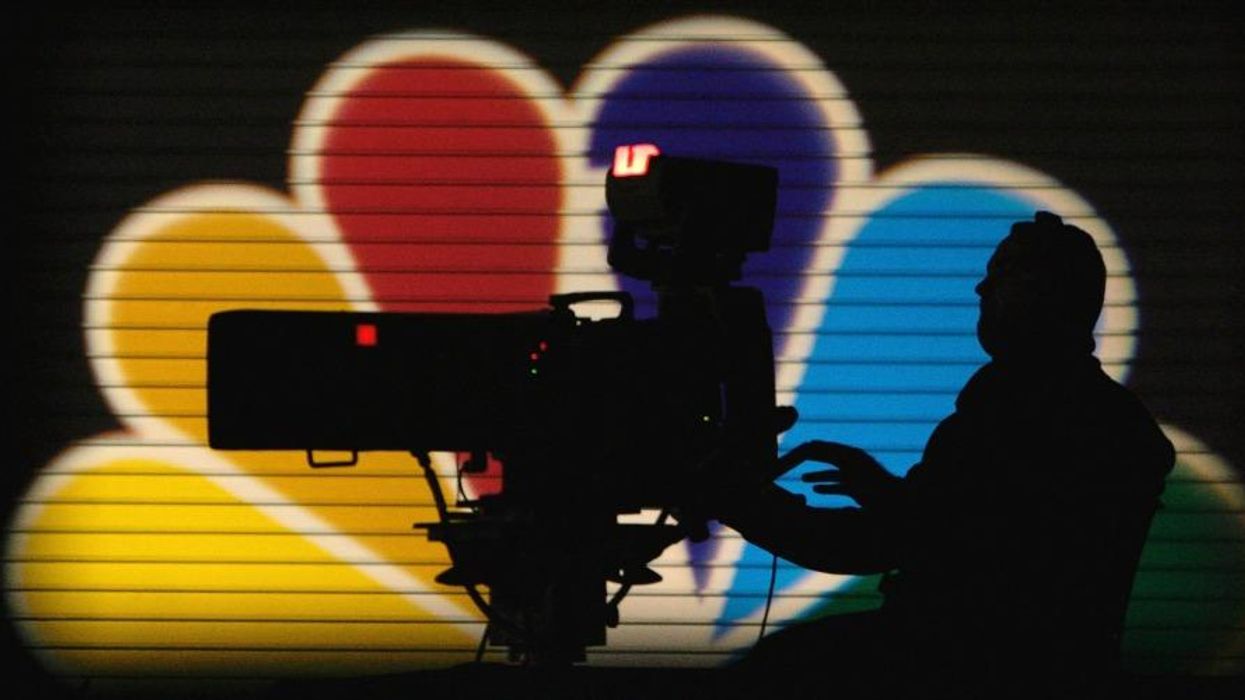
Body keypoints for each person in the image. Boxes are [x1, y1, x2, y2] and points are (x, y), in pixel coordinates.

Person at [711, 212, 1175, 697]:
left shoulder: (1016, 412)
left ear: (1042, 292)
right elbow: (962, 525)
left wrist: (741, 504)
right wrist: (885, 491)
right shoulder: (1103, 415)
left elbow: (890, 543)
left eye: (1000, 274)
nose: (981, 289)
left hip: (964, 662)